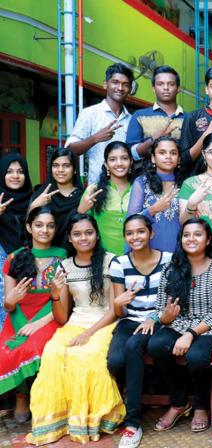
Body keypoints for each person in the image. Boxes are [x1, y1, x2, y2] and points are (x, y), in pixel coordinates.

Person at [26, 214, 123, 445]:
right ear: (69, 238)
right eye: (77, 234)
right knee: (53, 354)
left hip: (105, 323)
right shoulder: (65, 266)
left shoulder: (112, 262)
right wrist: (55, 293)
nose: (83, 238)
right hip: (74, 322)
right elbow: (61, 316)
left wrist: (88, 334)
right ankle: (59, 421)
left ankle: (91, 419)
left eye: (88, 232)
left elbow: (115, 310)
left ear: (97, 235)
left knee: (86, 355)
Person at [147, 218, 212, 433]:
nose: (191, 239)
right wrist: (165, 317)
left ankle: (201, 405)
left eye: (197, 234)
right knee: (156, 345)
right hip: (178, 324)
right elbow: (160, 311)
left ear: (208, 239)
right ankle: (178, 402)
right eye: (186, 235)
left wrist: (191, 334)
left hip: (207, 327)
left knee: (196, 357)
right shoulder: (171, 268)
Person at [106, 214, 173, 448]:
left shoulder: (168, 260)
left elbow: (172, 300)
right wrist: (118, 303)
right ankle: (135, 395)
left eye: (140, 231)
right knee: (115, 361)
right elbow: (120, 311)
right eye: (130, 233)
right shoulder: (119, 263)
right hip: (130, 321)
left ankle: (132, 423)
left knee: (134, 347)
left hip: (159, 321)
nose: (135, 237)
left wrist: (154, 317)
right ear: (125, 237)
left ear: (151, 233)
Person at [0, 207, 66, 421]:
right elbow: (9, 304)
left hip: (50, 316)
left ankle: (39, 398)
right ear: (29, 227)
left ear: (55, 229)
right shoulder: (14, 258)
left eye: (50, 225)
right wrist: (10, 301)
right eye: (38, 225)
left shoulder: (62, 256)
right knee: (7, 350)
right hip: (17, 317)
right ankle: (21, 395)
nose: (44, 230)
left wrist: (38, 324)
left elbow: (63, 299)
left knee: (32, 346)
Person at [66, 63, 133, 184]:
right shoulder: (89, 113)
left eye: (125, 84)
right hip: (97, 189)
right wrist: (96, 138)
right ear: (105, 84)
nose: (120, 87)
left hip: (126, 189)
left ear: (130, 89)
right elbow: (70, 149)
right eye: (115, 82)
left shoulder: (132, 120)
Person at [127, 136, 182, 253]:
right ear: (153, 158)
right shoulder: (142, 182)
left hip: (179, 253)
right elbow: (130, 223)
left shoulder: (184, 185)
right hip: (148, 253)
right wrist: (153, 210)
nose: (168, 156)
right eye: (162, 153)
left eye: (173, 153)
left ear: (179, 159)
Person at [78, 141, 133, 255]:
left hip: (136, 258)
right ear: (106, 165)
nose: (119, 163)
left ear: (131, 162)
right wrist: (81, 210)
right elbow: (79, 225)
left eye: (124, 158)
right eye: (113, 159)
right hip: (103, 258)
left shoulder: (139, 189)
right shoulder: (94, 190)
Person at [178, 131, 212, 241]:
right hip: (200, 249)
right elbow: (184, 224)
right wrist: (192, 204)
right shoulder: (190, 184)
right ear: (204, 154)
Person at [179, 66, 212, 176]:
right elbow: (183, 160)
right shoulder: (192, 117)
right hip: (197, 182)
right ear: (206, 90)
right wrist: (206, 134)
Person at [0, 153, 33, 326]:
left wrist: (34, 208)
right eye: (9, 171)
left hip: (28, 260)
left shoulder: (34, 199)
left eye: (20, 171)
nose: (15, 176)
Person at [126, 65, 184, 161]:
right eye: (160, 84)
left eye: (171, 84)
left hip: (184, 175)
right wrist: (154, 139)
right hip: (147, 174)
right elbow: (131, 154)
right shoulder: (139, 115)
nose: (166, 88)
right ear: (153, 89)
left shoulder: (189, 118)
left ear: (178, 89)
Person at [28, 148, 84, 246]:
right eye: (55, 165)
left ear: (75, 170)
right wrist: (34, 206)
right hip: (45, 253)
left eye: (66, 166)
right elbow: (28, 229)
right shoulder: (41, 195)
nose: (60, 170)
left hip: (76, 253)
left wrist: (81, 210)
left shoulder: (83, 197)